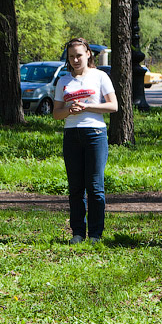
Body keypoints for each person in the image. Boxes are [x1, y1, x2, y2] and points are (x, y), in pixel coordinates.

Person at [53, 38, 118, 245]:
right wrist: (68, 110)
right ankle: (78, 233)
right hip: (72, 135)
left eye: (79, 55)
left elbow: (113, 106)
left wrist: (88, 107)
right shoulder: (63, 81)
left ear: (88, 54)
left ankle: (96, 235)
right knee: (75, 188)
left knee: (95, 186)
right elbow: (56, 114)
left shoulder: (100, 76)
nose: (75, 60)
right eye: (71, 56)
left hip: (95, 134)